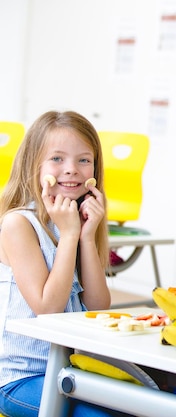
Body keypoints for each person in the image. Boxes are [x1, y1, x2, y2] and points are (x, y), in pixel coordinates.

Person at [0, 111, 124, 417]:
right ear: (35, 165)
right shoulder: (19, 223)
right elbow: (48, 309)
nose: (72, 170)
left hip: (69, 370)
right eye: (57, 159)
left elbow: (97, 306)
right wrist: (69, 236)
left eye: (84, 160)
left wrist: (85, 236)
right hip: (20, 378)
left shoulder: (77, 220)